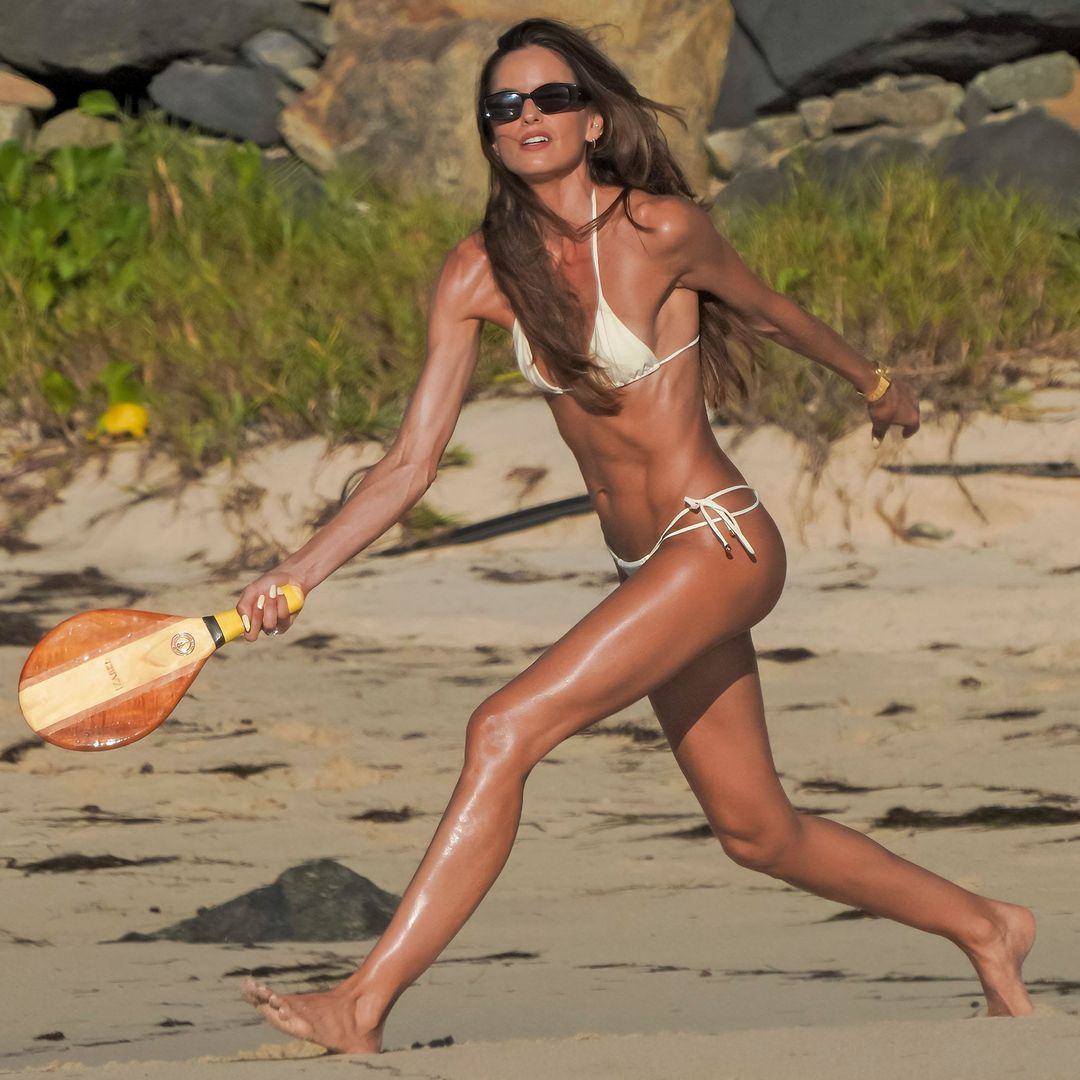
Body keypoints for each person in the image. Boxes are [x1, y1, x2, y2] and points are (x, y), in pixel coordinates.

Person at [239, 17, 1034, 1054]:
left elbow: (776, 311)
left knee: (503, 729)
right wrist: (300, 571)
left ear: (595, 119)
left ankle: (363, 1001)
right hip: (646, 567)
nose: (528, 117)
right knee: (757, 832)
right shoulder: (477, 270)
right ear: (488, 135)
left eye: (550, 99)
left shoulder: (660, 229)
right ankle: (989, 927)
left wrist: (877, 385)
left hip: (719, 541)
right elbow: (408, 464)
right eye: (504, 106)